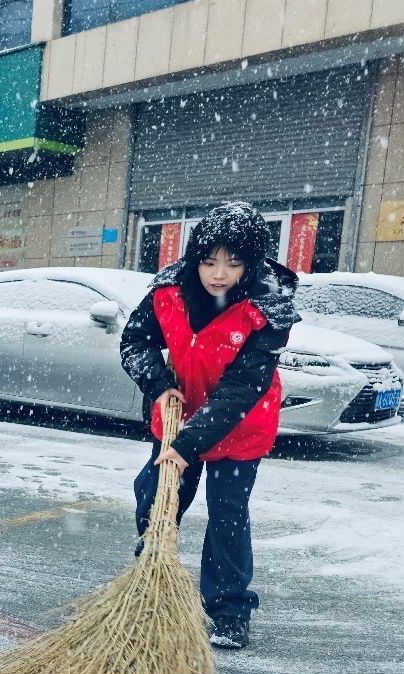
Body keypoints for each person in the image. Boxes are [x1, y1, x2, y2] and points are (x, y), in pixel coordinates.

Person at [119, 201, 300, 649]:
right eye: (209, 261)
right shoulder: (168, 291)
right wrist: (159, 384)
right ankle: (152, 575)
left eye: (233, 263)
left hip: (239, 427)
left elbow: (244, 387)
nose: (219, 274)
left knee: (227, 516)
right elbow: (134, 341)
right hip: (179, 415)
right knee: (156, 496)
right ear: (195, 257)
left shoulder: (268, 307)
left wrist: (188, 445)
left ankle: (228, 610)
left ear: (251, 264)